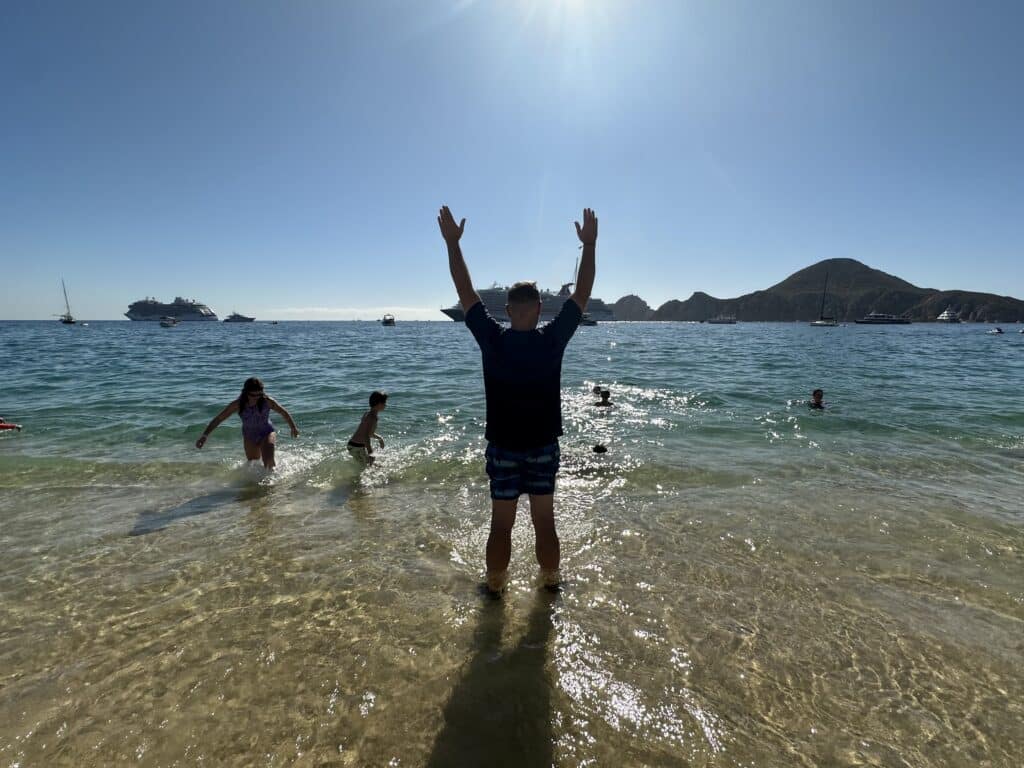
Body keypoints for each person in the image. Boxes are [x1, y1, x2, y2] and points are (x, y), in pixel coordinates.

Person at [438, 204, 598, 595]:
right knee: (546, 522)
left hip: (504, 448)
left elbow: (465, 292)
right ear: (541, 308)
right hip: (544, 446)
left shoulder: (493, 340)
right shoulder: (552, 340)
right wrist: (590, 245)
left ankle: (495, 589)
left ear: (507, 310)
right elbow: (582, 293)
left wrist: (452, 244)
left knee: (501, 525)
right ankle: (550, 584)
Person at [195, 377, 299, 470]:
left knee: (269, 463)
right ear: (246, 392)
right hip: (249, 436)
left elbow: (283, 412)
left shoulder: (267, 401)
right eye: (253, 395)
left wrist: (293, 427)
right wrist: (205, 435)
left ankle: (272, 488)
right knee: (253, 465)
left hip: (266, 432)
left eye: (259, 394)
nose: (256, 397)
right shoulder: (238, 404)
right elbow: (219, 419)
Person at [348, 391, 388, 465]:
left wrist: (379, 438)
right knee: (368, 465)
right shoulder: (373, 418)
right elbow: (366, 436)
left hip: (353, 445)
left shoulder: (367, 414)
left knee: (369, 465)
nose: (386, 405)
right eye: (384, 403)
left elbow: (368, 433)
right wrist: (370, 451)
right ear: (379, 404)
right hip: (357, 446)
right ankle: (356, 477)